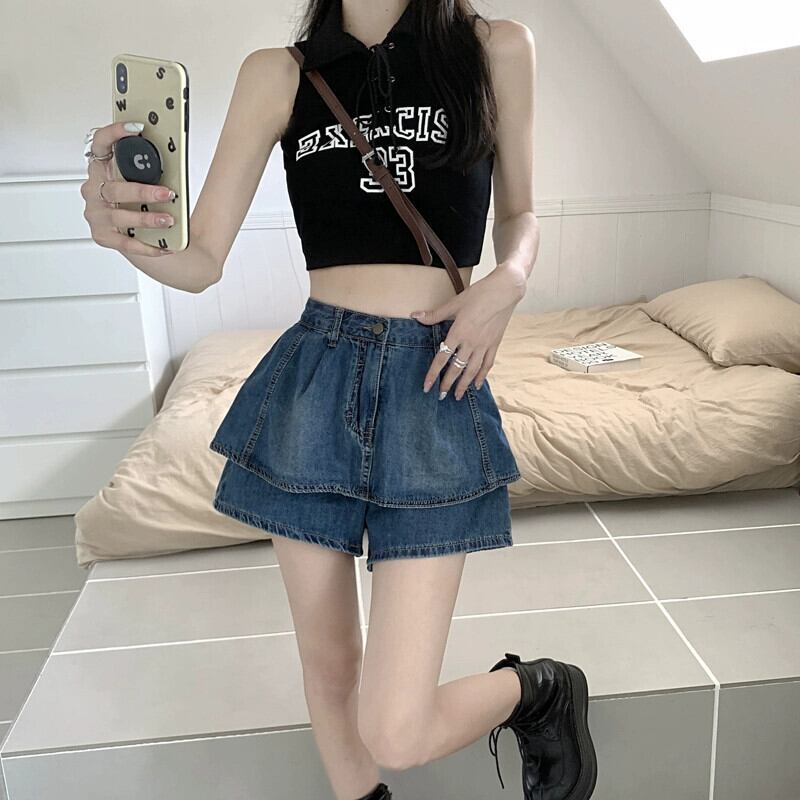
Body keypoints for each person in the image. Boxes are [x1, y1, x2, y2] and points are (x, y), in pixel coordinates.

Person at [81, 1, 597, 798]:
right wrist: (122, 234)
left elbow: (519, 210)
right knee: (328, 668)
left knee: (396, 728)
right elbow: (202, 259)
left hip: (434, 377)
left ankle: (540, 689)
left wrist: (511, 279)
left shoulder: (494, 48)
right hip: (316, 376)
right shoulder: (279, 73)